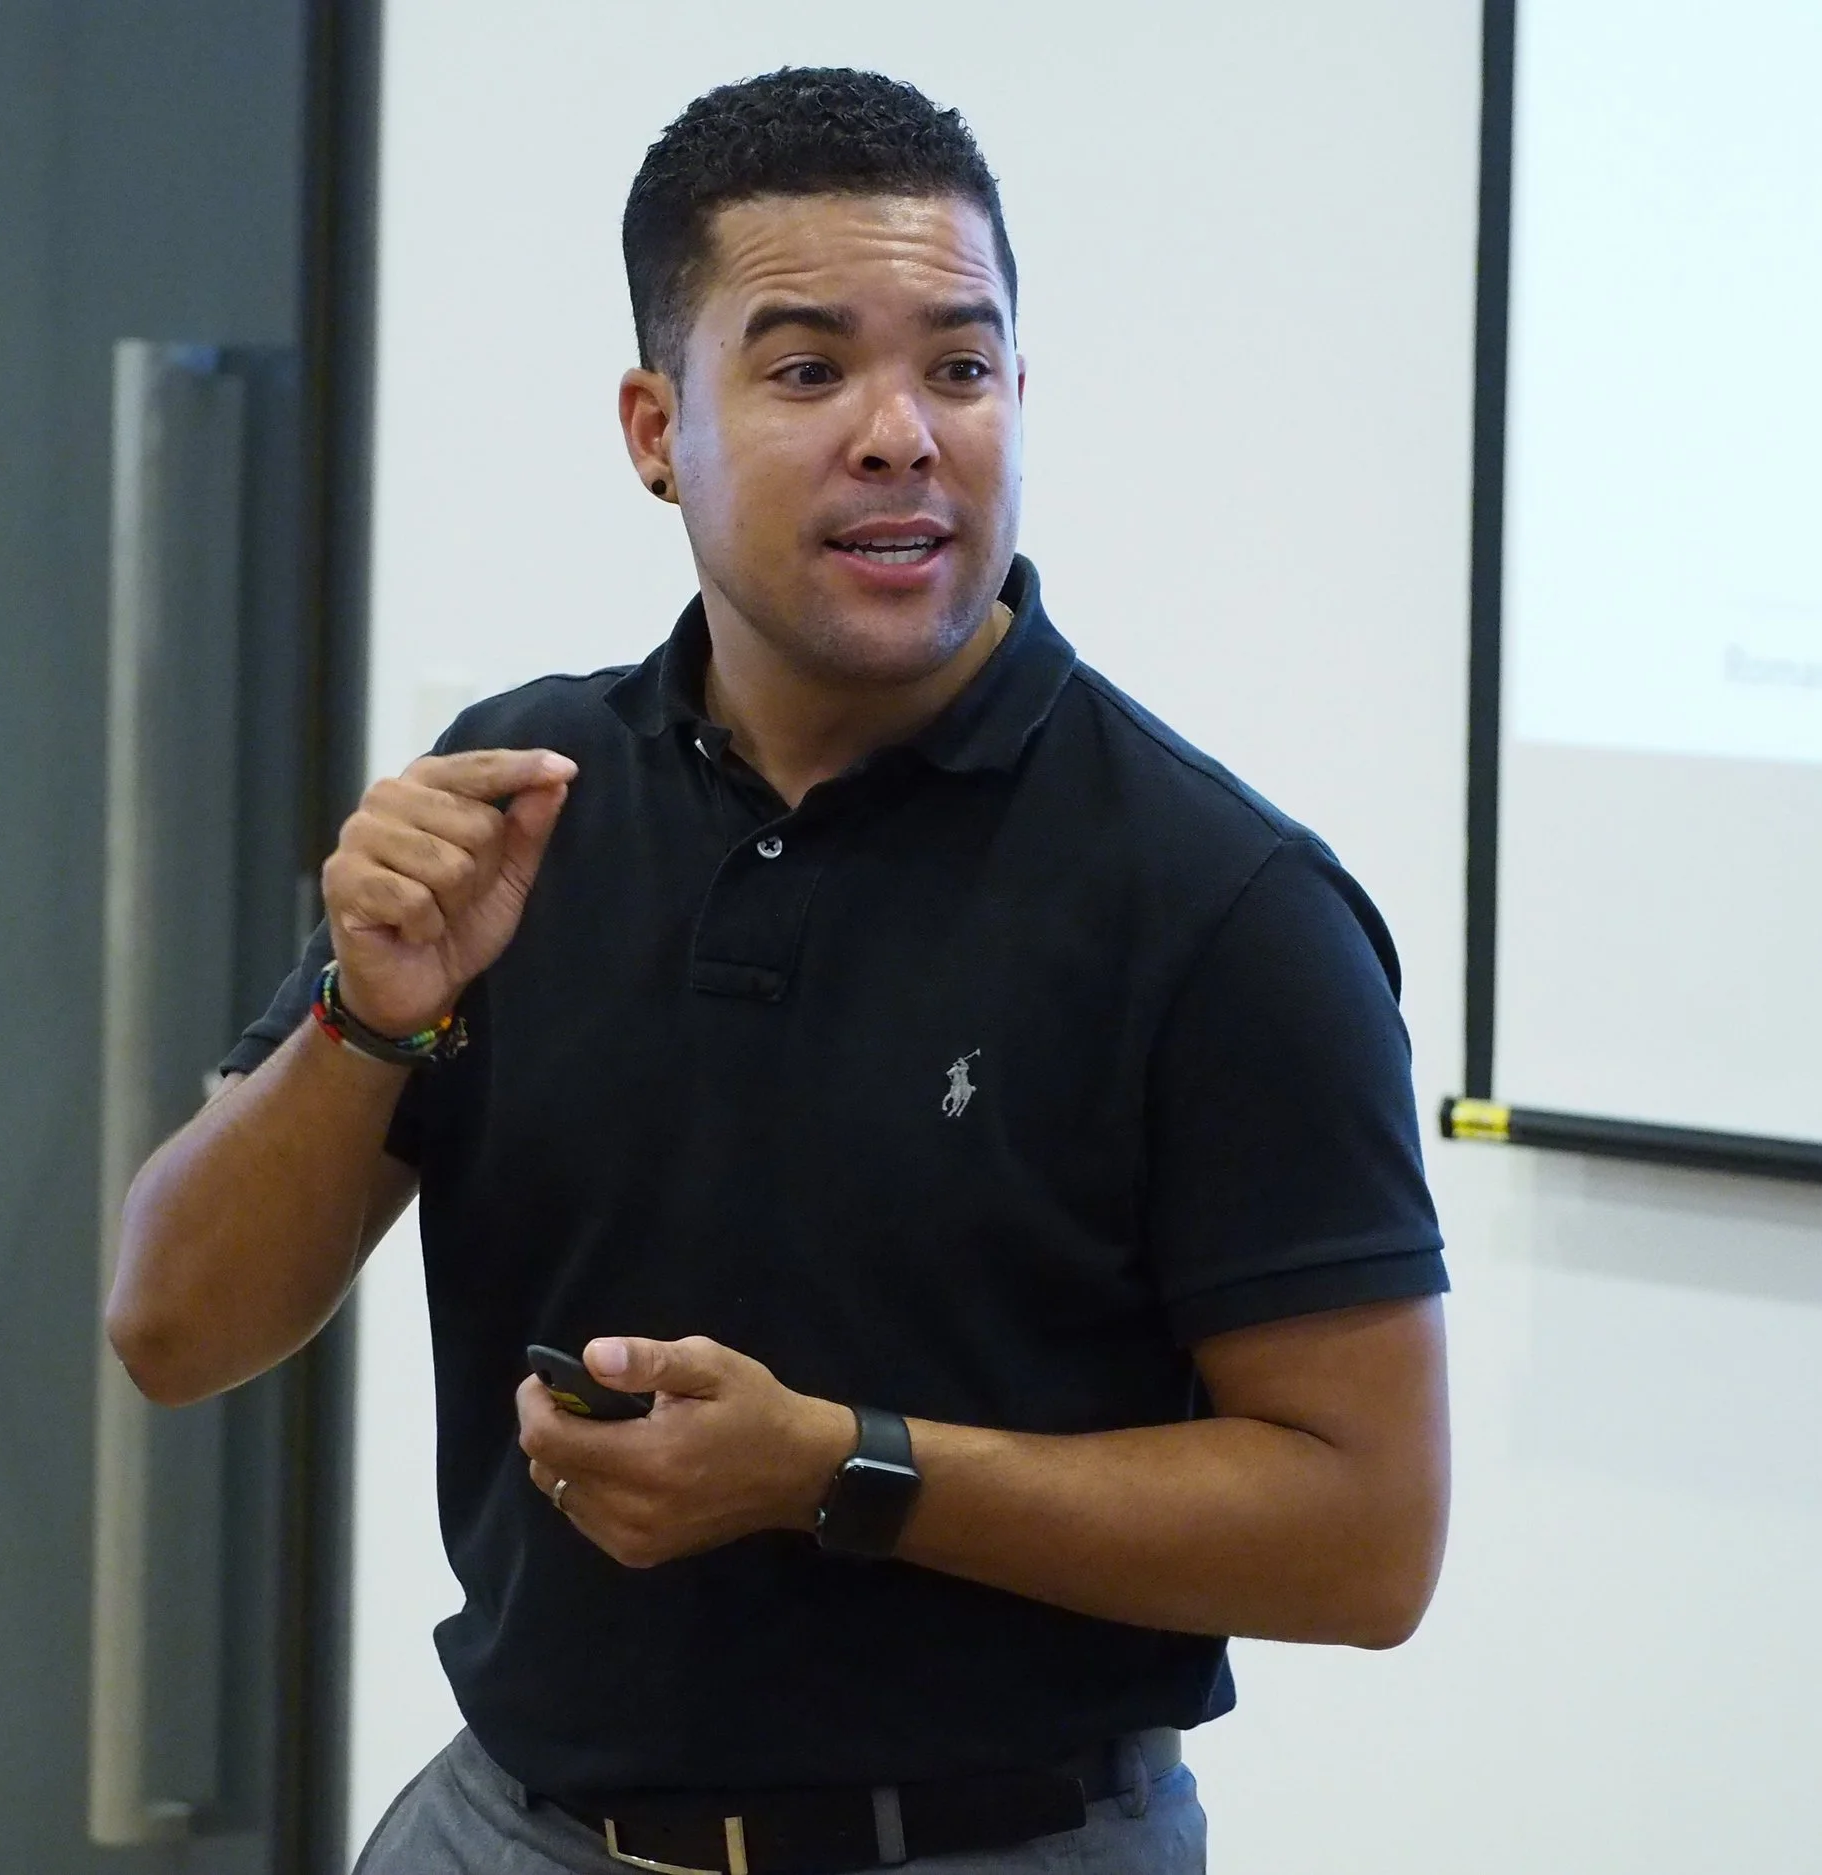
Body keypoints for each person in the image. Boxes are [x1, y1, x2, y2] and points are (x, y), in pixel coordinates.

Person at [109, 66, 1450, 1875]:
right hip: (510, 1825)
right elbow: (173, 1331)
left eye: (960, 368)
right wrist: (372, 1013)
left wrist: (839, 1467)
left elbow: (1367, 1536)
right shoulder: (522, 797)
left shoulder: (1219, 902)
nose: (901, 434)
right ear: (658, 428)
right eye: (810, 368)